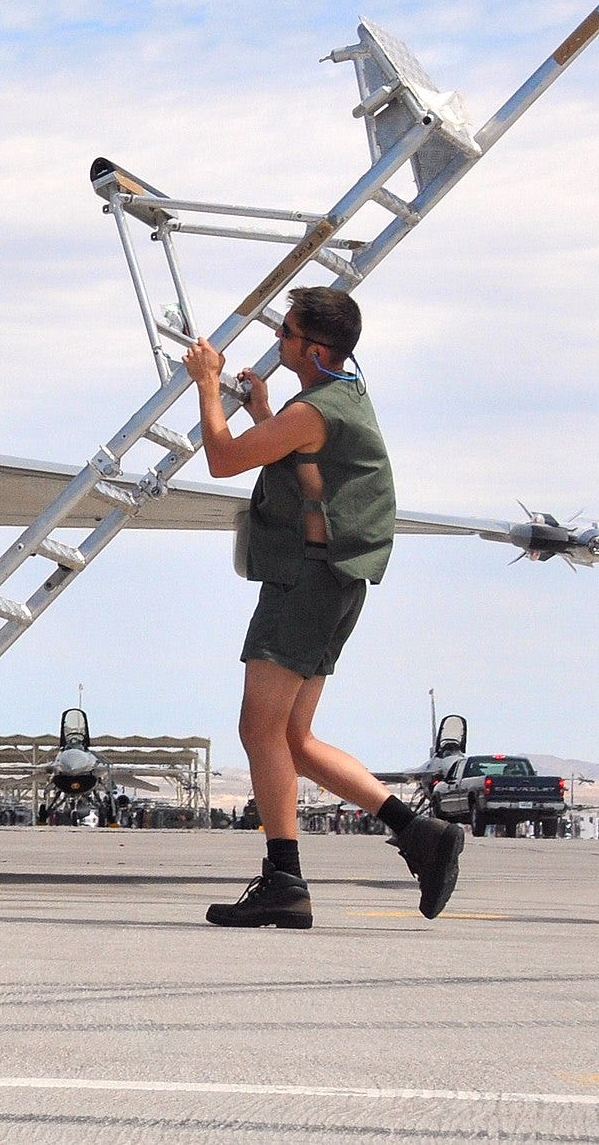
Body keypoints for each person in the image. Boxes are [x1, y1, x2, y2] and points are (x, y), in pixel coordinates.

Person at [183, 287, 465, 928]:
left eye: (285, 334)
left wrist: (208, 382)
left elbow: (224, 460)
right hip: (334, 584)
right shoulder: (341, 398)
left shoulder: (312, 412)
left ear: (312, 348)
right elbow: (308, 472)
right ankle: (419, 834)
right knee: (295, 740)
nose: (278, 343)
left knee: (259, 729)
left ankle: (284, 879)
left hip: (304, 585)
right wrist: (261, 409)